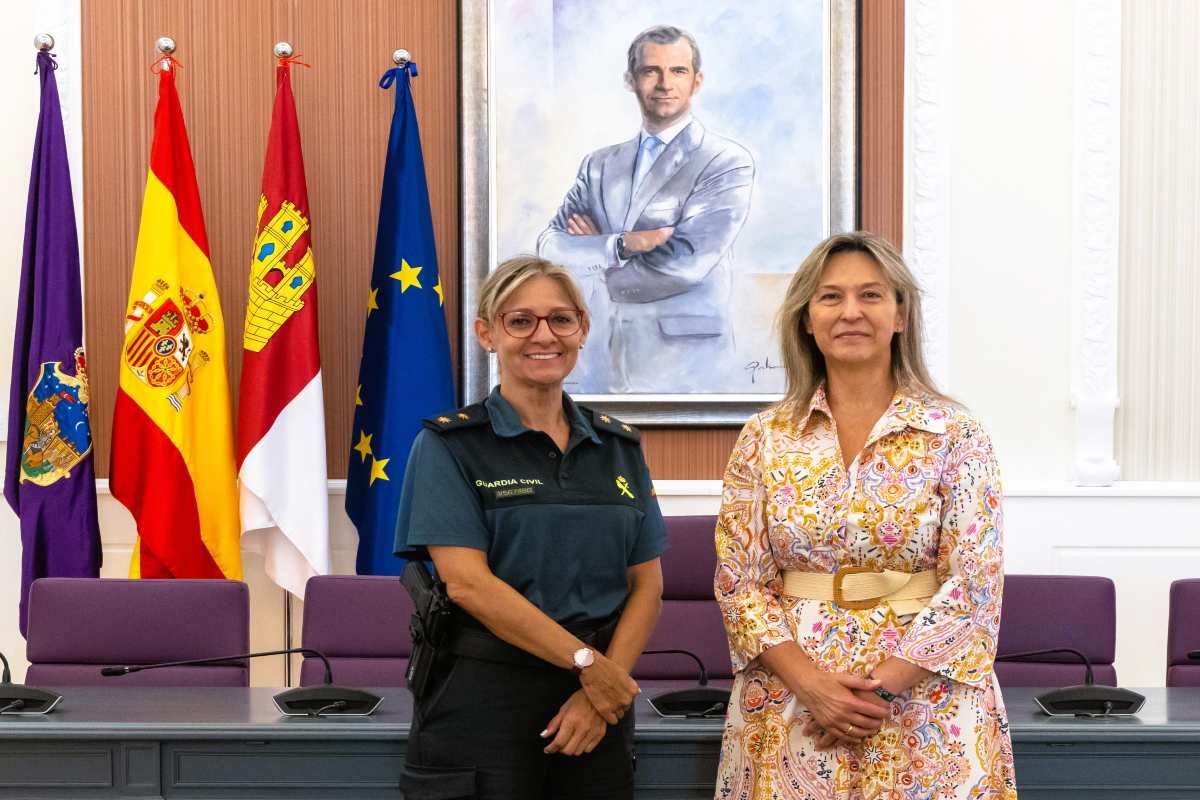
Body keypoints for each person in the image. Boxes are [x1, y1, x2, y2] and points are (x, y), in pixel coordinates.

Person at [713, 232, 1017, 799]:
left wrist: (880, 690)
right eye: (830, 297)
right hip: (792, 699)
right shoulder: (765, 436)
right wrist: (816, 688)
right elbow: (739, 584)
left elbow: (975, 580)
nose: (850, 312)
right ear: (806, 319)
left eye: (871, 296)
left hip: (926, 698)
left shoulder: (956, 434)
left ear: (901, 314)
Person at [393, 255, 668, 799]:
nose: (544, 335)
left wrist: (598, 689)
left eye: (561, 319)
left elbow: (648, 584)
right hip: (484, 702)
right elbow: (467, 583)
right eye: (520, 321)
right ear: (487, 334)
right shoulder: (450, 446)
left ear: (582, 330)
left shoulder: (618, 448)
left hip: (597, 708)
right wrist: (588, 666)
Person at [537, 24, 754, 394]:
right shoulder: (599, 165)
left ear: (697, 81)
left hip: (686, 366)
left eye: (678, 71)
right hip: (598, 363)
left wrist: (594, 264)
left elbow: (685, 263)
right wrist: (622, 246)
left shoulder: (726, 162)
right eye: (651, 70)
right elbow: (549, 247)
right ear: (630, 80)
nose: (665, 83)